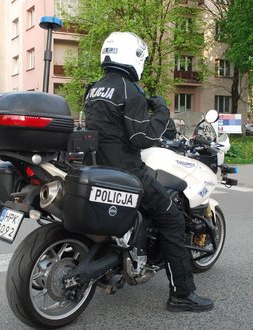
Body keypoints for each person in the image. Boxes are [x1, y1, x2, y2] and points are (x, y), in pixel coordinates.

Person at [84, 31, 213, 312]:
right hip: (126, 173)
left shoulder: (95, 88)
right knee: (173, 219)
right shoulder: (129, 89)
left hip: (95, 168)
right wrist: (162, 111)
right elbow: (143, 138)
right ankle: (182, 294)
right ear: (134, 57)